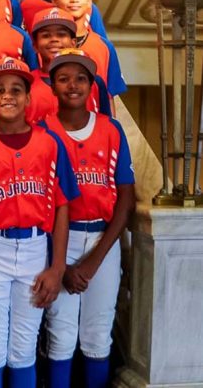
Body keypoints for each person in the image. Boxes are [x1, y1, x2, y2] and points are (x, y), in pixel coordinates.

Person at [0, 58, 79, 387]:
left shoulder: (50, 143)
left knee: (24, 349)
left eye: (17, 89)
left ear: (29, 98)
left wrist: (57, 268)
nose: (8, 95)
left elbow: (62, 208)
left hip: (35, 248)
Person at [41, 49, 136, 388]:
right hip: (55, 243)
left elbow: (125, 198)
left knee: (97, 333)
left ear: (92, 85)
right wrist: (60, 266)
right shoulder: (43, 132)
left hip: (101, 240)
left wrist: (93, 261)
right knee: (60, 334)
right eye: (64, 78)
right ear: (52, 86)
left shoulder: (111, 130)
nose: (73, 85)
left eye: (81, 78)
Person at [52, 0, 127, 101]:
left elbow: (109, 97)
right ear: (54, 0)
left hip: (93, 120)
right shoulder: (46, 46)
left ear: (89, 2)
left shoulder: (104, 47)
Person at [26, 7, 110, 123]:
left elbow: (105, 124)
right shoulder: (26, 85)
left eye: (61, 35)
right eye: (46, 36)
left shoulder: (94, 82)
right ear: (35, 45)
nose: (54, 40)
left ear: (73, 43)